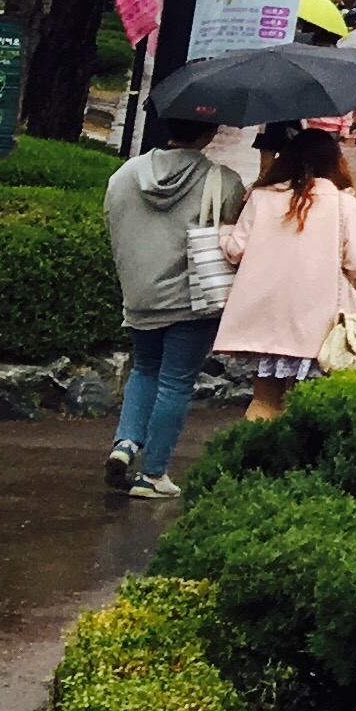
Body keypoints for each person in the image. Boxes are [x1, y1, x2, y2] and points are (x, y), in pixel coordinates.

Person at [100, 127, 245, 498]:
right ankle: (152, 475)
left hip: (140, 295)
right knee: (175, 382)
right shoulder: (223, 181)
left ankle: (125, 442)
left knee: (144, 369)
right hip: (192, 301)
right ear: (209, 131)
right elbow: (232, 241)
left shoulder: (125, 174)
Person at [214, 127, 356, 423]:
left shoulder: (261, 197)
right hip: (319, 320)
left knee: (263, 401)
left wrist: (224, 232)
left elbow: (235, 250)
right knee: (307, 406)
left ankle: (254, 451)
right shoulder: (345, 204)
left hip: (265, 316)